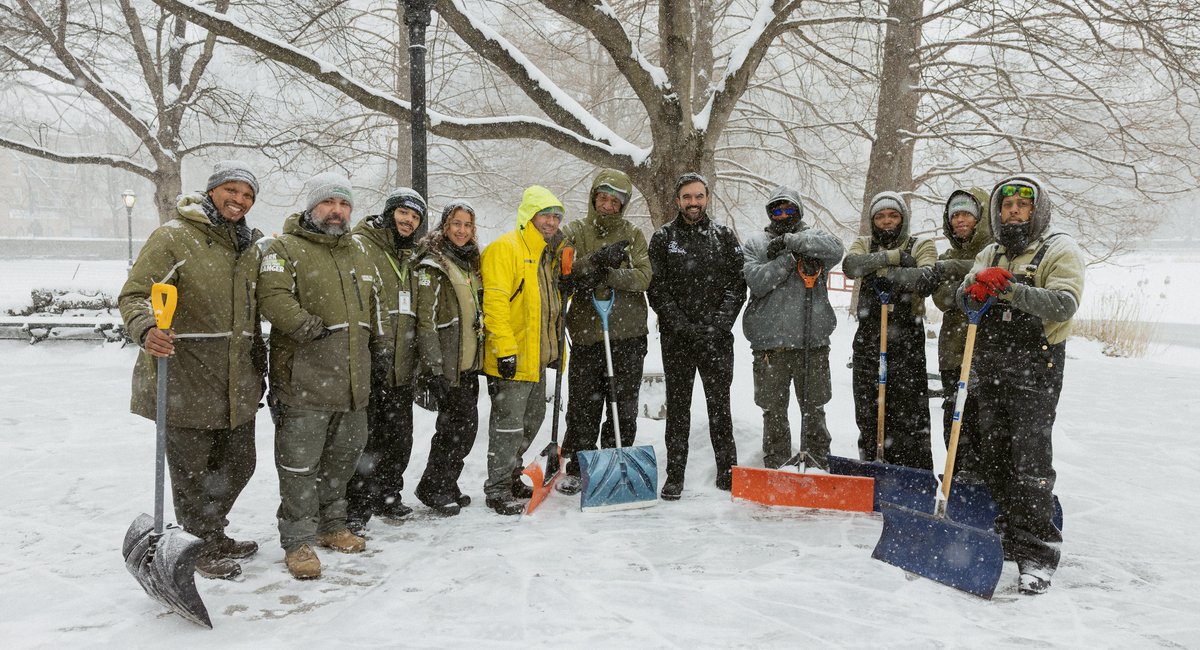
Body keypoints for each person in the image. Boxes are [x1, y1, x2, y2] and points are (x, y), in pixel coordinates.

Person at [118, 160, 265, 580]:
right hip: (187, 375)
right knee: (193, 473)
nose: (239, 200)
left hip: (237, 379)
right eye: (232, 191)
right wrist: (146, 328)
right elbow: (135, 294)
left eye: (248, 195)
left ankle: (212, 531)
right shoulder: (175, 237)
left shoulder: (247, 246)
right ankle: (197, 544)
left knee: (239, 465)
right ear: (212, 190)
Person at [961, 175, 1084, 595]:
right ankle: (1010, 533)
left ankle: (1037, 553)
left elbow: (1065, 303)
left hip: (1036, 367)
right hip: (992, 364)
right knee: (993, 453)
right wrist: (975, 286)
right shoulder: (990, 250)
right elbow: (967, 290)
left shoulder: (1059, 249)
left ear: (1037, 210)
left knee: (1030, 460)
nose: (1013, 211)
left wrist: (1011, 289)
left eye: (1022, 205)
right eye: (1007, 205)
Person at [257, 172, 379, 579]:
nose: (337, 211)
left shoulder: (358, 252)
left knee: (342, 461)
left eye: (344, 204)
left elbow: (373, 310)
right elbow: (272, 297)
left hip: (352, 382)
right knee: (299, 467)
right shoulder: (284, 248)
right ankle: (298, 541)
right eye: (329, 203)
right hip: (305, 381)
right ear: (312, 208)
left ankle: (332, 526)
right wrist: (306, 327)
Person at [647, 172, 747, 500]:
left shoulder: (724, 236)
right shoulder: (663, 239)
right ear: (677, 201)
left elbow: (737, 285)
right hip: (678, 340)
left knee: (720, 406)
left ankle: (727, 471)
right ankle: (675, 475)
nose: (693, 202)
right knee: (678, 408)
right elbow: (657, 288)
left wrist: (717, 326)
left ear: (707, 198)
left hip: (716, 339)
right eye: (687, 197)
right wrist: (681, 325)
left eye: (698, 196)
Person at [555, 169, 651, 496]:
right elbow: (563, 273)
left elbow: (643, 276)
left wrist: (610, 274)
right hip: (586, 333)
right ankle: (580, 465)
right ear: (594, 196)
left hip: (628, 335)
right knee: (584, 404)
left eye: (615, 200)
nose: (608, 205)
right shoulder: (574, 231)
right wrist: (593, 261)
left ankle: (614, 460)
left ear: (623, 205)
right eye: (603, 197)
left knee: (622, 405)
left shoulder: (633, 234)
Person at [741, 186, 844, 471]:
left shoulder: (815, 238)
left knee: (814, 410)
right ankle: (776, 465)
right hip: (769, 347)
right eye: (777, 209)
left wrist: (792, 241)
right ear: (770, 213)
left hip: (812, 342)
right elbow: (758, 281)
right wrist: (787, 259)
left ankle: (817, 464)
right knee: (773, 411)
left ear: (798, 212)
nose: (783, 214)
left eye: (789, 209)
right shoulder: (755, 244)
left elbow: (836, 249)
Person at [480, 186, 565, 515]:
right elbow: (496, 303)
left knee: (533, 418)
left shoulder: (544, 255)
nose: (552, 222)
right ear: (529, 216)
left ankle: (511, 474)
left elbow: (549, 308)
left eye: (556, 216)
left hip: (537, 358)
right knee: (508, 426)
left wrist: (555, 350)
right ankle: (497, 487)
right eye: (545, 214)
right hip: (511, 358)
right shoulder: (506, 248)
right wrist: (504, 349)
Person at [345, 188, 424, 532]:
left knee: (399, 437)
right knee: (366, 441)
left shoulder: (412, 255)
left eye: (416, 217)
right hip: (370, 361)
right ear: (389, 212)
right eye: (403, 213)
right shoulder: (361, 246)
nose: (408, 221)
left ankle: (388, 495)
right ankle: (356, 506)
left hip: (402, 364)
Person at [842, 191, 938, 470]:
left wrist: (884, 272)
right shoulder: (864, 242)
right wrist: (894, 257)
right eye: (880, 216)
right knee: (869, 407)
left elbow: (927, 277)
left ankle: (912, 473)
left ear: (903, 218)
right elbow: (852, 265)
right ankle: (872, 464)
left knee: (908, 412)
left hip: (907, 339)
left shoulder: (921, 244)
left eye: (893, 215)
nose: (886, 221)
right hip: (869, 337)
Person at [411, 201, 484, 516]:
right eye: (456, 223)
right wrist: (434, 367)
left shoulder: (469, 263)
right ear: (444, 226)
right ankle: (433, 487)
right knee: (453, 429)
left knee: (466, 429)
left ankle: (446, 482)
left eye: (468, 225)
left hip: (467, 364)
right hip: (448, 366)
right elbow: (424, 321)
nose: (462, 230)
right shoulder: (433, 264)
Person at [931, 188, 992, 478]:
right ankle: (958, 475)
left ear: (979, 217)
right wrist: (968, 284)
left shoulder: (994, 250)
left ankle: (984, 479)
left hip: (985, 351)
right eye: (955, 215)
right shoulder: (946, 254)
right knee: (954, 419)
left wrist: (954, 272)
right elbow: (943, 299)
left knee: (984, 419)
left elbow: (993, 274)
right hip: (952, 352)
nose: (960, 220)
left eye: (966, 213)